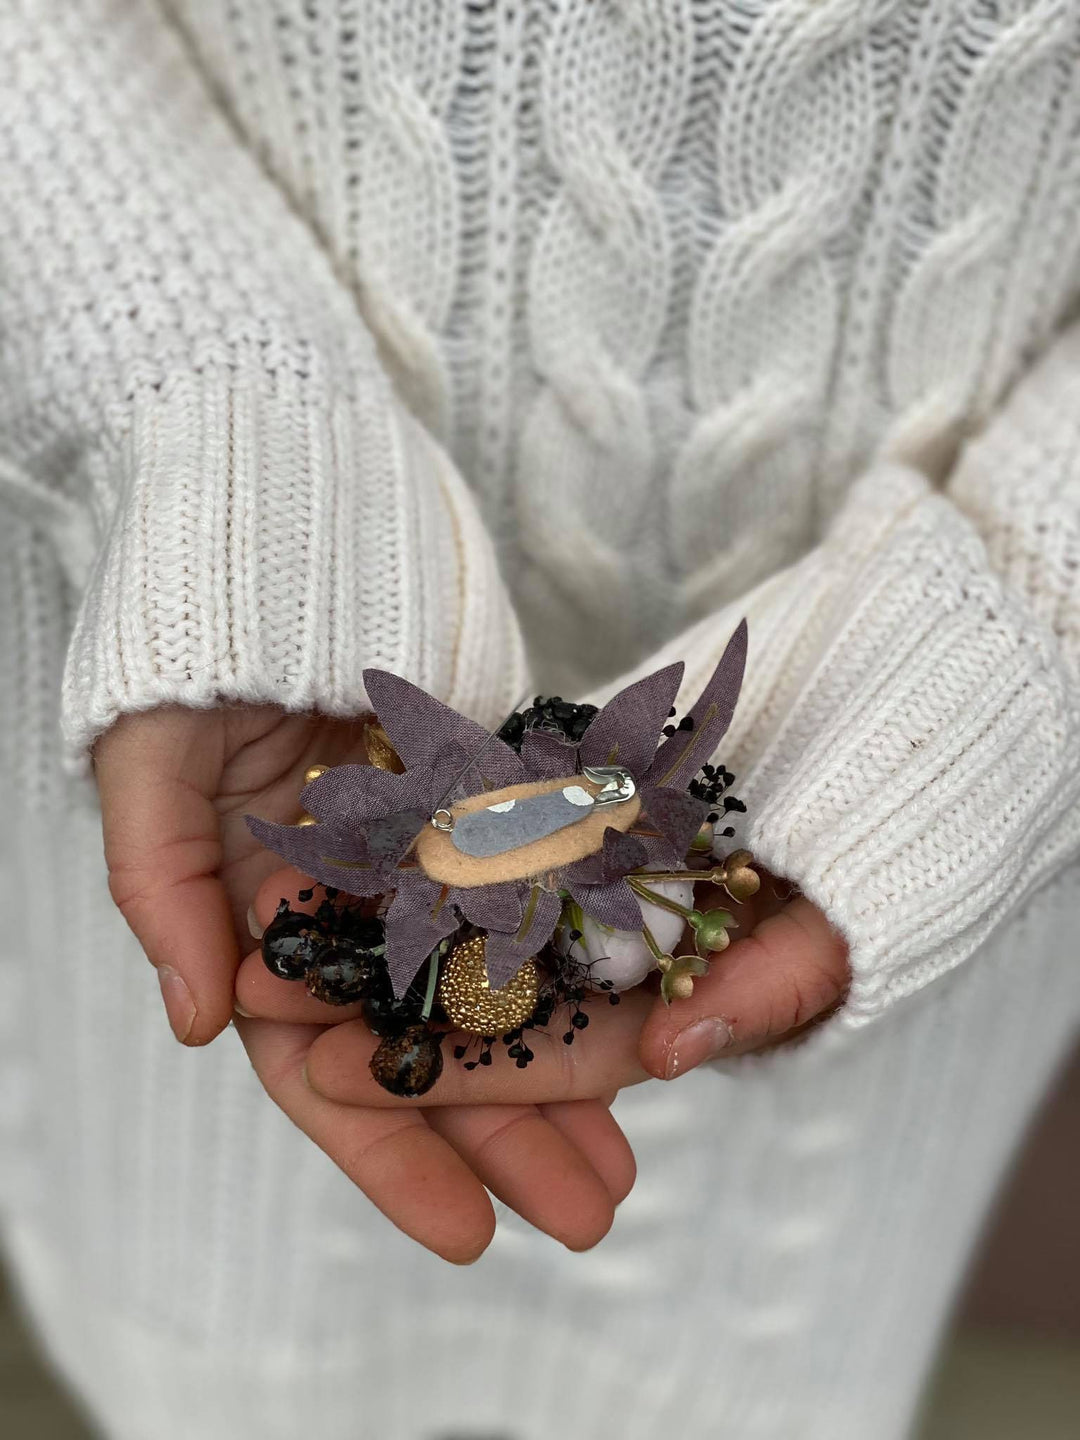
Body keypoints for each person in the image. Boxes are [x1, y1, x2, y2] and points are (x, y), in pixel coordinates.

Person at [1, 3, 1078, 1438]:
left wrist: (1034, 603)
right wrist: (195, 400)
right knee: (210, 1306)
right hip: (204, 618)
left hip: (943, 744)